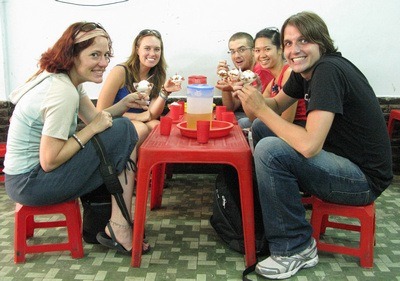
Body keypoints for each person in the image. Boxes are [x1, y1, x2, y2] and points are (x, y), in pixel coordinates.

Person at [235, 11, 393, 279]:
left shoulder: (328, 71)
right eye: (288, 43)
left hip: (363, 180)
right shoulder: (306, 71)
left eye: (303, 41)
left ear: (322, 42)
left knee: (270, 151)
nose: (294, 50)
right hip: (339, 162)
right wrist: (252, 92)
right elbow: (272, 108)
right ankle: (275, 215)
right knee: (263, 127)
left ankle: (295, 248)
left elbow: (309, 146)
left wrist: (261, 110)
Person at [4, 22, 150, 255]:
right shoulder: (62, 93)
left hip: (23, 179)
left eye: (105, 55)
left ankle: (119, 220)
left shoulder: (65, 81)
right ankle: (120, 225)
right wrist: (90, 130)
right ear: (72, 55)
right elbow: (50, 160)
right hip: (30, 183)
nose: (103, 63)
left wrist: (123, 105)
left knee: (122, 129)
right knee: (125, 130)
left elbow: (96, 118)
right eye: (94, 55)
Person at [97, 29, 182, 148]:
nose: (152, 54)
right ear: (137, 50)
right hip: (112, 122)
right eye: (147, 48)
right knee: (141, 129)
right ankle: (128, 166)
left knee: (158, 127)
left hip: (141, 121)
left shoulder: (158, 74)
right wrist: (137, 117)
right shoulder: (121, 71)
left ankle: (149, 165)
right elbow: (101, 111)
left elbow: (151, 114)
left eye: (157, 49)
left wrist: (165, 92)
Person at [245, 28, 307, 142]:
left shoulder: (289, 73)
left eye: (267, 49)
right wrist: (244, 89)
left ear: (280, 49)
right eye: (257, 50)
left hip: (300, 129)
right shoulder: (272, 83)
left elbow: (287, 120)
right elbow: (253, 116)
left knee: (257, 126)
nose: (262, 55)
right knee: (250, 124)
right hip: (284, 127)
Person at [215, 32, 273, 121]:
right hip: (254, 117)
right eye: (233, 52)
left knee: (239, 122)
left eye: (241, 50)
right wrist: (225, 79)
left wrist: (234, 88)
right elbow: (230, 108)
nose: (236, 56)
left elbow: (259, 114)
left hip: (266, 119)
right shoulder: (243, 72)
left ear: (253, 51)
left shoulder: (260, 71)